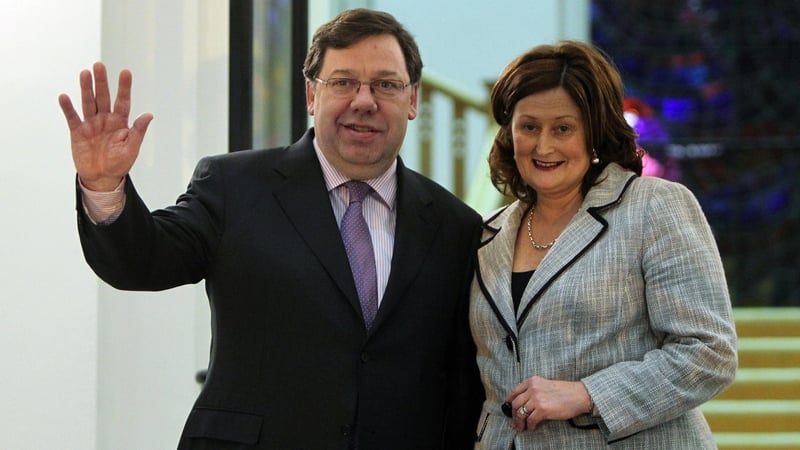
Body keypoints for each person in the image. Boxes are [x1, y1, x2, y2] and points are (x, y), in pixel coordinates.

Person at [59, 8, 483, 450]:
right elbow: (143, 262)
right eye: (342, 82)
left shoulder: (455, 226)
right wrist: (104, 186)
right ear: (311, 96)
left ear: (412, 100)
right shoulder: (234, 186)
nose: (364, 100)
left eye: (386, 84)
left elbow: (461, 379)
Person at [469, 40, 737, 448]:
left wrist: (588, 394)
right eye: (529, 127)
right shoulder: (486, 235)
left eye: (563, 128)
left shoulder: (654, 206)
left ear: (594, 132)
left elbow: (709, 353)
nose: (543, 146)